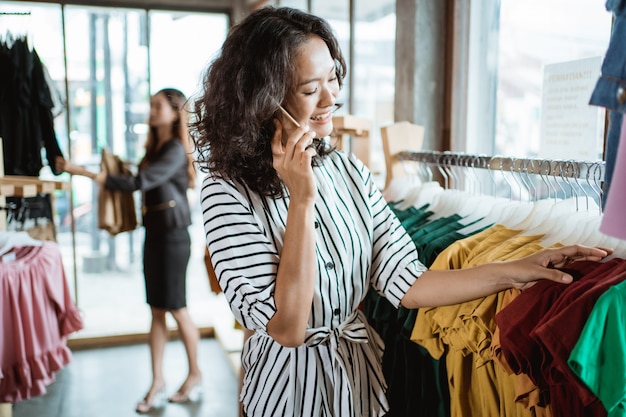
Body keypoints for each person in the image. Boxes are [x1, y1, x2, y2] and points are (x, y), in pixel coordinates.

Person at [191, 7, 611, 417]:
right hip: (286, 392)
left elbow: (406, 281)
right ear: (265, 99)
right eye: (308, 89)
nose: (331, 97)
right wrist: (301, 200)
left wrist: (515, 268)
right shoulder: (226, 191)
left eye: (333, 78)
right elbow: (288, 327)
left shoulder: (347, 170)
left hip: (360, 381)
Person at [56, 88, 203, 414]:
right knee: (157, 310)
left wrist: (82, 171)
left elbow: (139, 182)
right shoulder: (158, 147)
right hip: (155, 234)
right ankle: (158, 382)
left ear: (175, 111)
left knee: (177, 308)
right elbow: (138, 177)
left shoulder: (176, 150)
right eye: (151, 105)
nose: (151, 111)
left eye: (157, 106)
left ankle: (194, 373)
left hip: (174, 237)